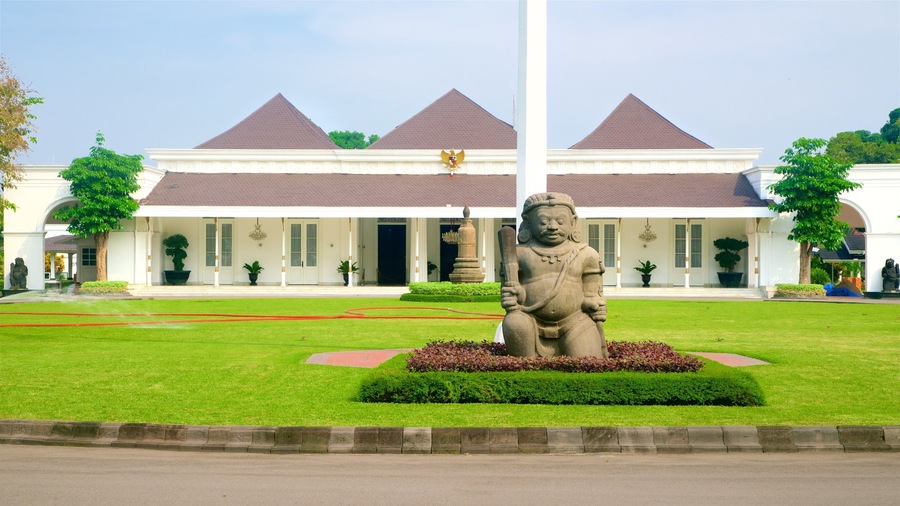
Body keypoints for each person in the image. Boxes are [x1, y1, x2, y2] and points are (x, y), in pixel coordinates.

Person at [499, 192, 608, 358]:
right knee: (514, 322)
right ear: (528, 223)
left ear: (573, 222)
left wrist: (595, 304)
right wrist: (514, 296)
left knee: (587, 361)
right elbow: (511, 291)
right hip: (530, 319)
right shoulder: (519, 254)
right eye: (543, 221)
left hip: (575, 321)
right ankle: (526, 367)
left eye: (560, 221)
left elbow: (593, 293)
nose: (552, 227)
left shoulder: (587, 254)